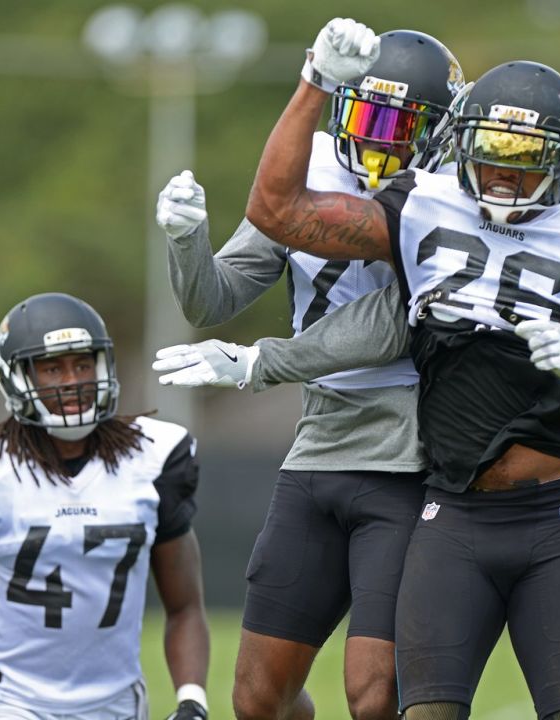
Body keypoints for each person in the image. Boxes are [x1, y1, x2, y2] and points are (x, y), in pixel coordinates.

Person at [235, 17, 560, 720]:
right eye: (491, 148)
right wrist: (315, 81)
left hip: (557, 515)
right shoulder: (420, 207)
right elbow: (278, 211)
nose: (503, 168)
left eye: (524, 153)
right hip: (453, 510)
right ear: (460, 145)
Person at [150, 28, 465, 720]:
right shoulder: (313, 166)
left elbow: (389, 325)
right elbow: (214, 297)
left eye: (398, 126)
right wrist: (184, 241)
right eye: (365, 117)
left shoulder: (450, 194)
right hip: (320, 444)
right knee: (261, 698)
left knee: (375, 694)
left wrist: (262, 362)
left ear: (441, 132)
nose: (378, 141)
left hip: (411, 451)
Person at [0, 292, 211, 720]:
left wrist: (192, 700)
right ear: (15, 377)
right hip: (14, 703)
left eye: (82, 364)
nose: (73, 381)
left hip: (117, 706)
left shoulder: (153, 460)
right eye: (52, 368)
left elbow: (185, 605)